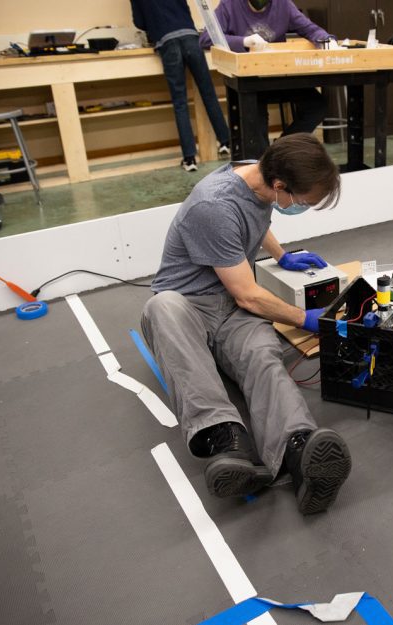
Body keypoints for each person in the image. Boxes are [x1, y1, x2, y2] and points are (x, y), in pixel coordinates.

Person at [141, 133, 351, 514]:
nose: (300, 208)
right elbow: (248, 295)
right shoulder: (213, 204)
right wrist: (307, 320)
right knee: (163, 309)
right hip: (189, 305)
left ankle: (298, 450)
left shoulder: (263, 174)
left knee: (262, 358)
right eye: (301, 202)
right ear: (280, 186)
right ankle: (225, 440)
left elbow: (256, 218)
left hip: (232, 306)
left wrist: (282, 256)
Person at [199, 0, 330, 148]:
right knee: (256, 123)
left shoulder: (283, 4)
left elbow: (310, 29)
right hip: (250, 83)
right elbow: (206, 38)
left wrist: (327, 41)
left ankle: (281, 148)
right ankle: (263, 159)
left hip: (279, 78)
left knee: (317, 106)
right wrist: (243, 41)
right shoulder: (229, 4)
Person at [130, 0, 231, 172]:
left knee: (180, 103)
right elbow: (185, 8)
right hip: (190, 37)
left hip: (167, 41)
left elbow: (139, 22)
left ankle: (190, 159)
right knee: (208, 92)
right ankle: (225, 142)